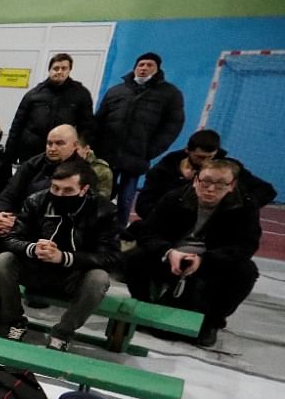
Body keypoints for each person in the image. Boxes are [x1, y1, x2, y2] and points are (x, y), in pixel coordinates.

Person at [125, 159, 261, 347]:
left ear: (232, 186)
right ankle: (143, 305)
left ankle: (212, 322)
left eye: (220, 184)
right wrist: (168, 252)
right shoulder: (174, 198)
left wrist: (204, 261)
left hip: (210, 263)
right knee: (134, 258)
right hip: (172, 257)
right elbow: (148, 232)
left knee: (246, 271)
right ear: (196, 180)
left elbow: (246, 246)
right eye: (206, 182)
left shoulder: (245, 207)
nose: (211, 189)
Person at [0, 161, 120, 351]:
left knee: (99, 278)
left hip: (74, 276)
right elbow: (11, 238)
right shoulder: (36, 201)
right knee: (4, 260)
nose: (59, 195)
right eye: (55, 188)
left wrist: (64, 257)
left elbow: (111, 257)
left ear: (84, 189)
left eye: (68, 190)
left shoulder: (104, 210)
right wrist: (32, 248)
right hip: (36, 270)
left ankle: (63, 333)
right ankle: (13, 322)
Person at [94, 52, 186, 228]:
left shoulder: (170, 94)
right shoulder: (116, 91)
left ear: (157, 69)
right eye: (141, 64)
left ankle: (120, 231)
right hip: (108, 154)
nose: (144, 68)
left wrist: (150, 150)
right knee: (102, 193)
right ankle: (98, 227)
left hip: (136, 156)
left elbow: (172, 126)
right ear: (135, 67)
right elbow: (99, 119)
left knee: (126, 198)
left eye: (149, 65)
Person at [134, 129, 276, 220]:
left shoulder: (229, 169)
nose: (206, 162)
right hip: (167, 225)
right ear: (187, 150)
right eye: (200, 157)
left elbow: (266, 191)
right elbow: (143, 204)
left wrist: (238, 208)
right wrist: (163, 217)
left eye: (211, 157)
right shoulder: (163, 170)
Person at [0, 124, 84, 236]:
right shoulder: (32, 165)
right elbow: (8, 194)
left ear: (75, 145)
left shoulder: (83, 173)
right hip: (20, 225)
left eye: (59, 143)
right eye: (49, 143)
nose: (52, 148)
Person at [6, 53, 95, 164]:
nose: (59, 71)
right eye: (56, 68)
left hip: (62, 152)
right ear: (50, 70)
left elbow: (87, 126)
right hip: (32, 152)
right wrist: (10, 154)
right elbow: (17, 125)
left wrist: (82, 148)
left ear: (69, 70)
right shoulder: (34, 94)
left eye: (64, 68)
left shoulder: (81, 94)